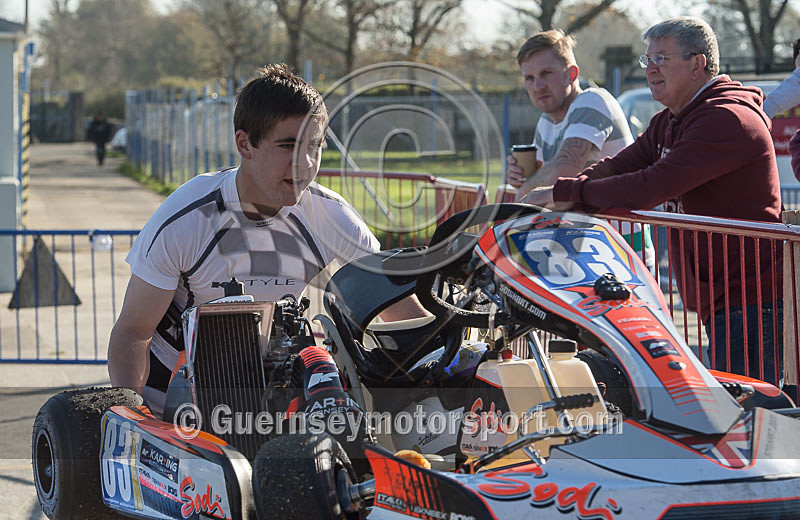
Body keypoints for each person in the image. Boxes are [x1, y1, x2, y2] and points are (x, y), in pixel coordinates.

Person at [108, 64, 421, 412]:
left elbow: (402, 312)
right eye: (287, 146)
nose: (304, 163)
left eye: (314, 146)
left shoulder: (331, 215)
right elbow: (134, 333)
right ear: (245, 144)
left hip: (267, 390)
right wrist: (133, 417)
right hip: (172, 397)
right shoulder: (187, 217)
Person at [522, 17, 784, 385]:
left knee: (756, 412)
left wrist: (564, 194)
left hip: (753, 298)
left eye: (661, 58)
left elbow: (651, 185)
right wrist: (568, 189)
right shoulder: (671, 120)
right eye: (648, 60)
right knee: (738, 402)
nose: (651, 69)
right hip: (720, 293)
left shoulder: (726, 119)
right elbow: (618, 165)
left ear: (697, 64)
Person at [507, 30, 654, 270]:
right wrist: (519, 177)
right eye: (529, 78)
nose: (537, 85)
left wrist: (524, 191)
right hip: (580, 251)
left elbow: (561, 172)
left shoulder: (592, 101)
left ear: (571, 74)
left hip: (619, 249)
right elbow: (541, 188)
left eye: (546, 73)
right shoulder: (546, 122)